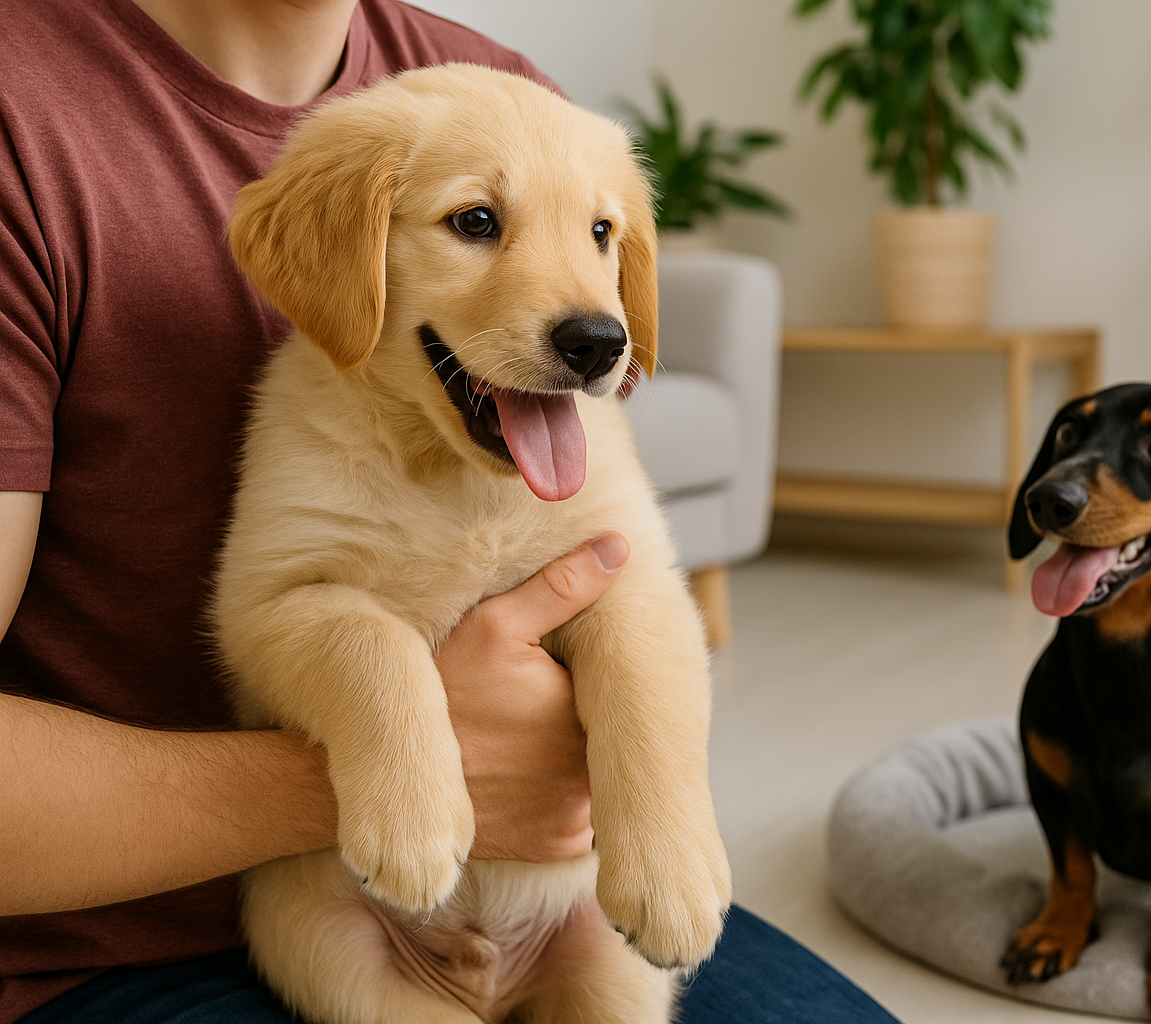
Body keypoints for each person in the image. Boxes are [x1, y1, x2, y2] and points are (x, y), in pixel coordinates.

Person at [0, 0, 901, 1021]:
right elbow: (289, 611)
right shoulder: (25, 109)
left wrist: (658, 804)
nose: (586, 304)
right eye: (478, 224)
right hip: (182, 930)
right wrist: (359, 765)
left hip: (565, 902)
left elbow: (626, 584)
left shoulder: (488, 79)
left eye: (603, 235)